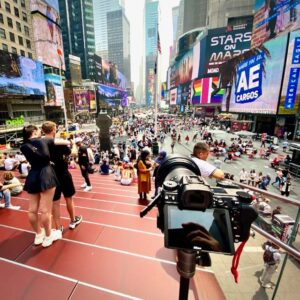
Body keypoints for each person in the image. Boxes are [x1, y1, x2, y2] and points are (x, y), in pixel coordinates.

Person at [20, 125, 69, 247]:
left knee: (32, 210)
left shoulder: (23, 146)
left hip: (33, 175)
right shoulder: (43, 140)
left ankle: (38, 234)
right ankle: (48, 236)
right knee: (45, 211)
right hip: (46, 174)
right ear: (35, 132)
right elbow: (65, 141)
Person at [42, 121, 82, 232]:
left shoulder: (41, 143)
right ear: (53, 130)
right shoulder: (60, 144)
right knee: (69, 198)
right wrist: (73, 143)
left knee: (55, 203)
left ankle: (58, 227)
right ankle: (73, 220)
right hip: (63, 174)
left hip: (51, 175)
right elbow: (73, 153)